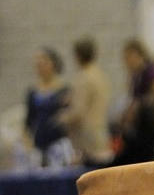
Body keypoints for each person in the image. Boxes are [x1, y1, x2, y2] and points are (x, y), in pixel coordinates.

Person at [57, 37, 113, 166]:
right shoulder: (100, 75)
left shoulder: (83, 78)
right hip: (101, 132)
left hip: (87, 139)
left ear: (77, 56)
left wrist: (61, 118)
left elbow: (78, 112)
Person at [24, 47, 70, 165]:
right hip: (38, 144)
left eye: (44, 62)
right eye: (38, 63)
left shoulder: (64, 90)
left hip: (59, 143)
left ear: (53, 64)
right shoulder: (33, 92)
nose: (40, 66)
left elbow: (69, 119)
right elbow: (28, 121)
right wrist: (27, 143)